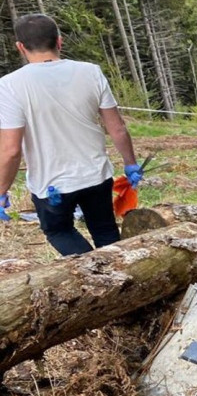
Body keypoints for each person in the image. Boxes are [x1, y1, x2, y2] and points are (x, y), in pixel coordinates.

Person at [0, 14, 144, 256]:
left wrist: (2, 190)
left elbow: (11, 150)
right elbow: (117, 127)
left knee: (59, 231)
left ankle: (94, 271)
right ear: (59, 41)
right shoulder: (91, 72)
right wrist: (131, 164)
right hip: (95, 174)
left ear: (20, 47)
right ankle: (117, 271)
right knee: (105, 229)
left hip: (51, 184)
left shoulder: (10, 85)